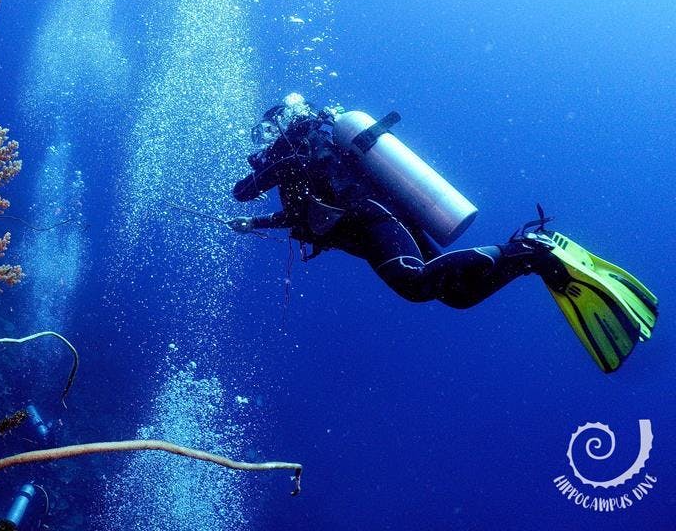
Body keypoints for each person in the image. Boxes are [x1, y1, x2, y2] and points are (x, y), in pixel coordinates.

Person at [229, 93, 657, 372]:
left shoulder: (295, 162)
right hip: (375, 223)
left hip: (373, 219)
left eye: (266, 139)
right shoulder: (300, 178)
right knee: (455, 295)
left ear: (283, 133)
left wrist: (259, 178)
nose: (260, 151)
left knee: (415, 284)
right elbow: (305, 218)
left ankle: (524, 246)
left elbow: (243, 191)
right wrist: (256, 225)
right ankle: (528, 261)